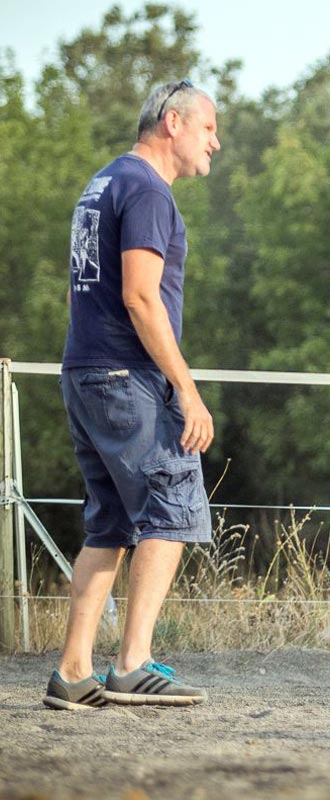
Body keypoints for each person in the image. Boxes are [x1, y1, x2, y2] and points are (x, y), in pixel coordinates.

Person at [43, 80, 220, 710]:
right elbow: (141, 297)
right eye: (207, 129)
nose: (214, 143)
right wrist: (187, 389)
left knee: (110, 524)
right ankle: (133, 663)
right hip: (128, 378)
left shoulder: (101, 184)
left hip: (84, 370)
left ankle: (71, 673)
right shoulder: (148, 190)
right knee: (171, 509)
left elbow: (78, 292)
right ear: (173, 123)